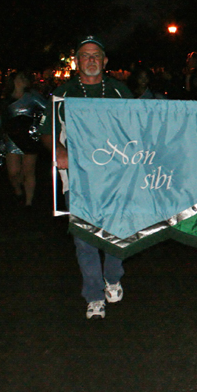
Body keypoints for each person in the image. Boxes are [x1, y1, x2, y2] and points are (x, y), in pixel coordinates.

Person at [40, 36, 134, 319]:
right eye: (85, 55)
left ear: (105, 61)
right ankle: (93, 295)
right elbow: (48, 132)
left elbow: (140, 123)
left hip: (115, 175)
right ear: (76, 62)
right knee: (85, 237)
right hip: (79, 177)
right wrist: (58, 149)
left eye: (96, 55)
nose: (91, 60)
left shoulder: (119, 91)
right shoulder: (64, 93)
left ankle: (113, 275)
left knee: (117, 230)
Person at [0, 71, 45, 206]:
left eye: (24, 77)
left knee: (29, 171)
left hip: (29, 137)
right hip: (12, 137)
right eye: (20, 77)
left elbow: (48, 109)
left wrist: (39, 126)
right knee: (13, 172)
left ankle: (28, 202)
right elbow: (1, 121)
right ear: (13, 80)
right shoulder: (7, 99)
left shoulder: (32, 96)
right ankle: (18, 190)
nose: (22, 79)